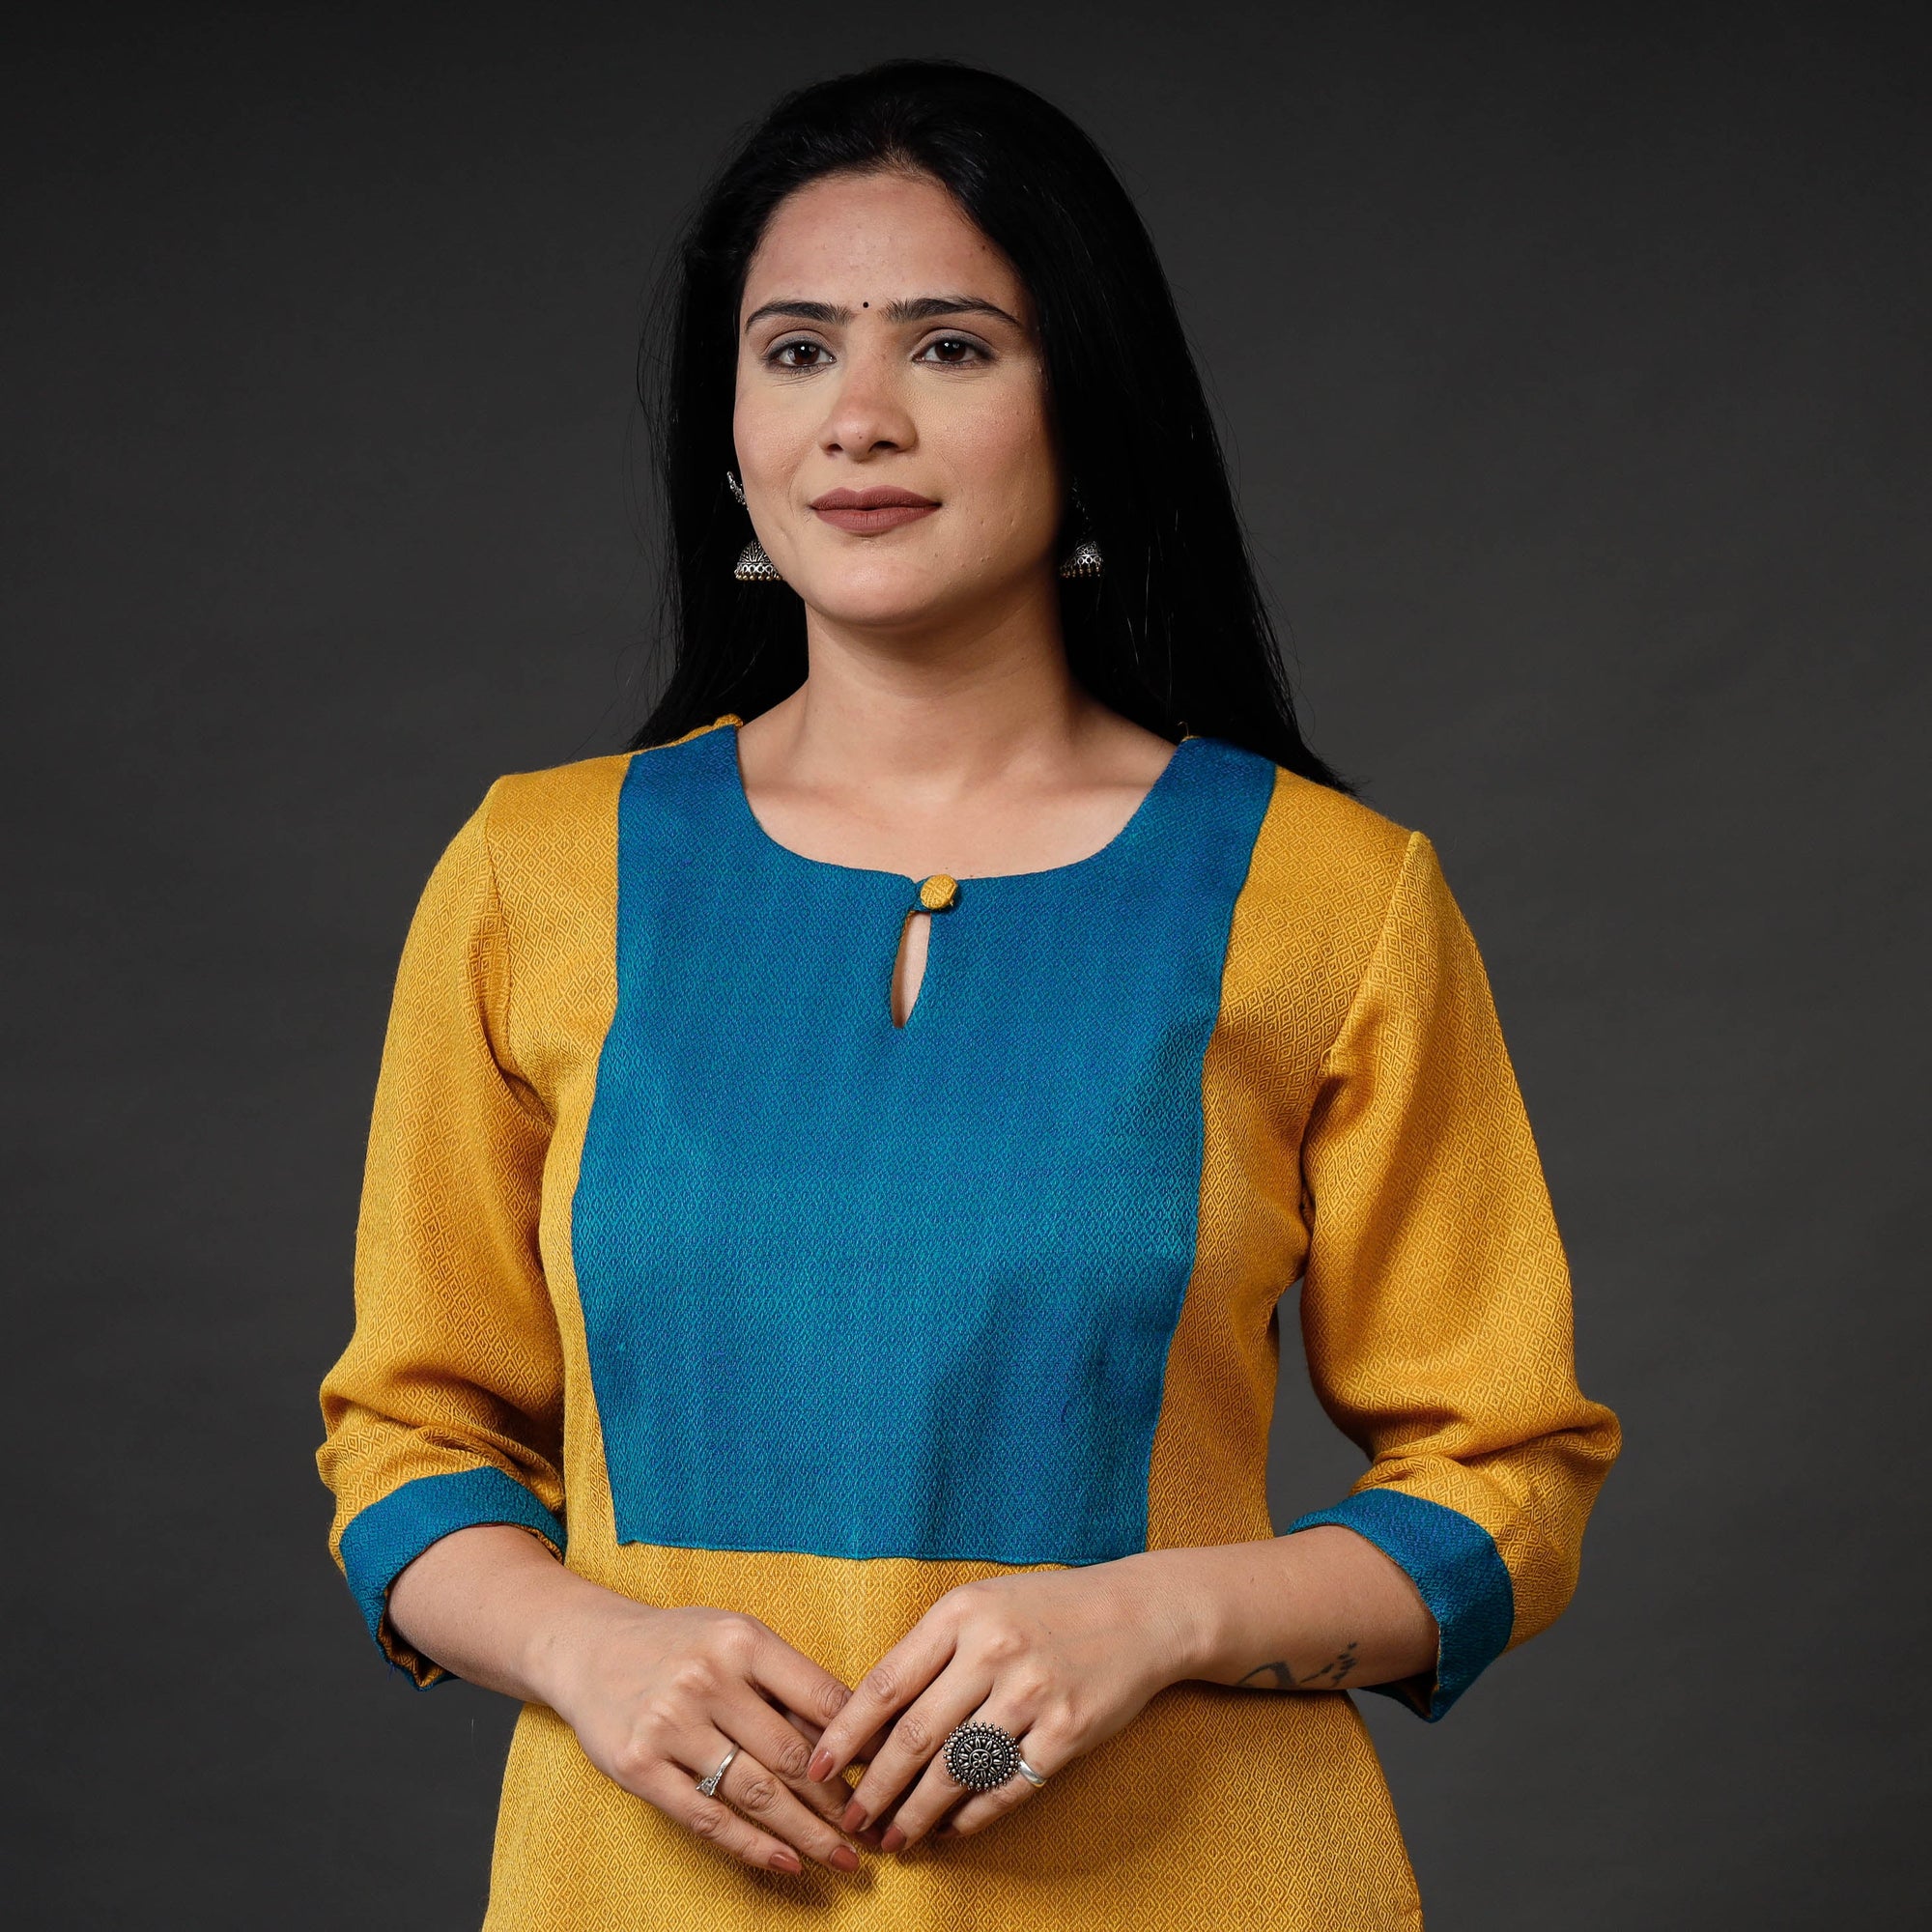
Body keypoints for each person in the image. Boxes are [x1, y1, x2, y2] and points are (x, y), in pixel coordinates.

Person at [317, 58, 1620, 1930]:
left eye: (948, 348)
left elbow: (1511, 1476)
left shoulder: (1329, 898)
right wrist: (589, 1648)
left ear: (1086, 406)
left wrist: (1154, 1615)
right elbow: (406, 1439)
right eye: (794, 352)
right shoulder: (538, 877)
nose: (859, 418)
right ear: (731, 437)